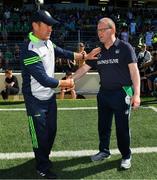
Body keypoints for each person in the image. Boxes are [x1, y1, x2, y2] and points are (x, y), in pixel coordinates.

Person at [20, 10, 100, 179]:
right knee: (39, 135)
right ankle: (42, 166)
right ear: (35, 25)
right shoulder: (29, 49)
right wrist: (67, 82)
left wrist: (84, 56)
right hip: (35, 100)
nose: (51, 29)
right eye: (47, 25)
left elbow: (62, 51)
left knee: (51, 131)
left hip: (49, 98)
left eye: (51, 25)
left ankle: (43, 156)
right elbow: (44, 79)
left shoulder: (47, 42)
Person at [72, 17, 140, 170]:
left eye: (103, 29)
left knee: (122, 128)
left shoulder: (125, 48)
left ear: (112, 30)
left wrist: (137, 94)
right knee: (103, 126)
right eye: (98, 30)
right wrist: (70, 80)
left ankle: (126, 156)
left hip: (121, 93)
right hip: (103, 94)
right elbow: (84, 69)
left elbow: (134, 72)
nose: (99, 33)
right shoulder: (98, 50)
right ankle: (104, 151)